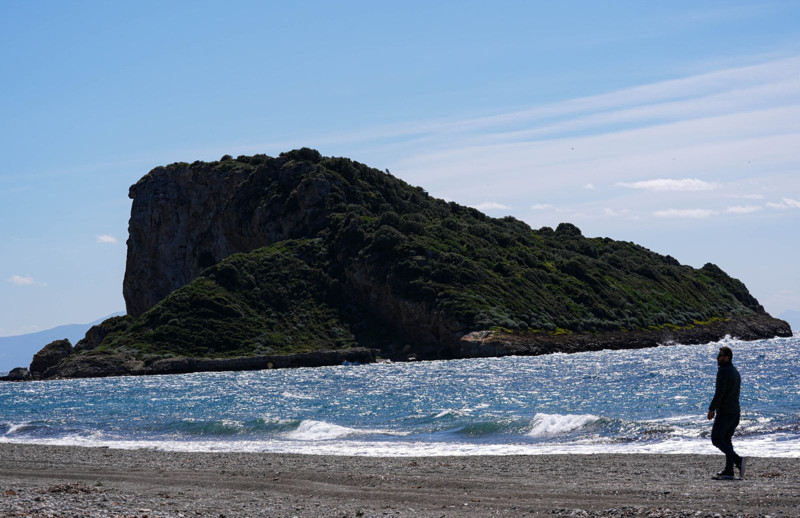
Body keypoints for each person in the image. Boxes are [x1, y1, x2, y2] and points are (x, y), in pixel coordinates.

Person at [707, 346, 745, 480]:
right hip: (735, 411)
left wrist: (712, 409)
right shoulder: (734, 371)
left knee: (716, 439)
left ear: (727, 358)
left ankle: (738, 461)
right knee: (726, 440)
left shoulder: (724, 371)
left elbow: (720, 392)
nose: (717, 358)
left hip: (726, 411)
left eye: (720, 356)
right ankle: (729, 471)